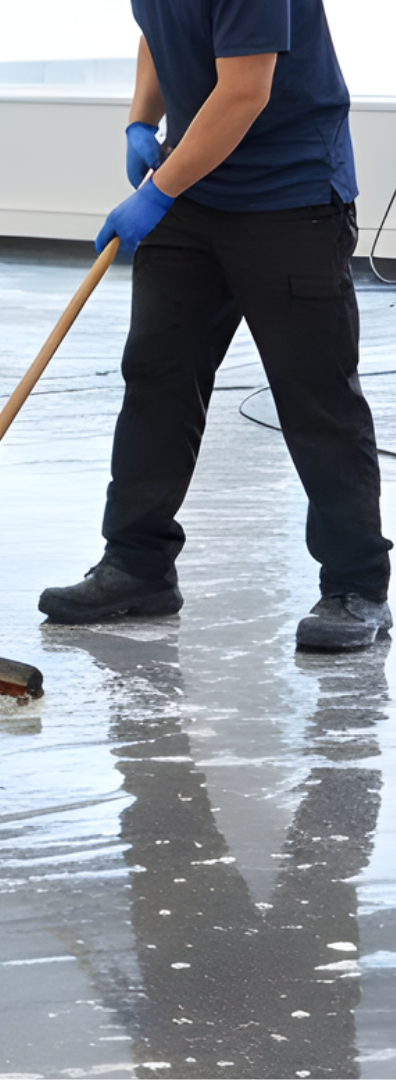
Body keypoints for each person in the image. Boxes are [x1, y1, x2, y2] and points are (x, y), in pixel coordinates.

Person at [39, 0, 391, 651]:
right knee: (156, 378)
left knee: (315, 394)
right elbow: (156, 31)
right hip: (194, 191)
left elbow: (243, 91)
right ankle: (136, 565)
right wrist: (141, 120)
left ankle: (356, 586)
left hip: (292, 197)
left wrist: (156, 191)